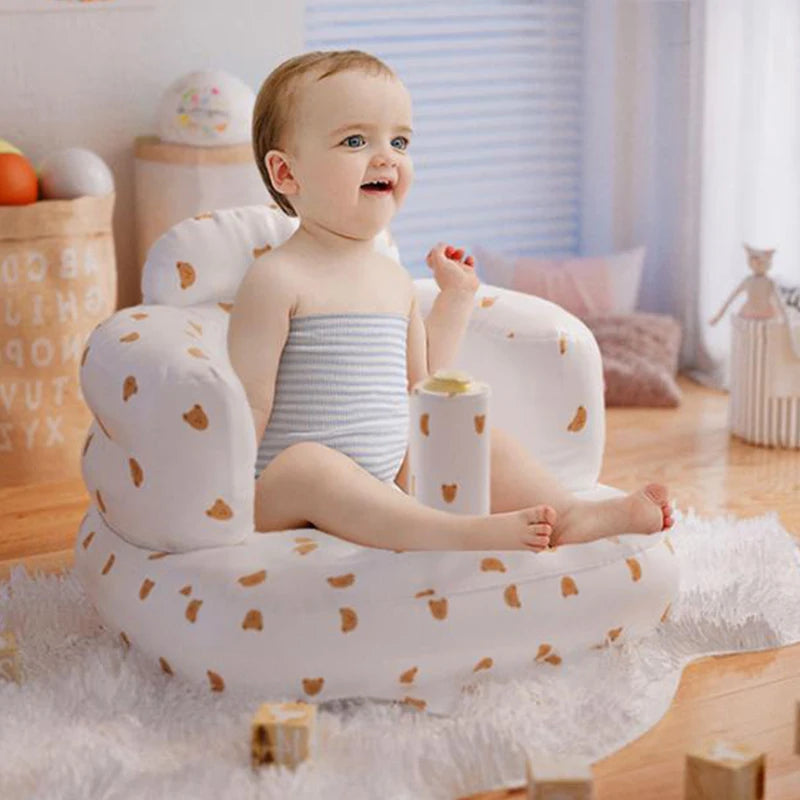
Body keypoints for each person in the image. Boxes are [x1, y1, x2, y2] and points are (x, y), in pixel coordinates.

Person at [226, 49, 673, 553]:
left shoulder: (391, 279)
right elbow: (247, 405)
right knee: (311, 463)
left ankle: (570, 514)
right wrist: (222, 497)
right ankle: (459, 535)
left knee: (478, 439)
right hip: (286, 496)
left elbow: (423, 387)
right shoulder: (277, 277)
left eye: (399, 140)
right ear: (287, 175)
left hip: (384, 479)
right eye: (355, 140)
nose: (386, 156)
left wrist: (456, 298)